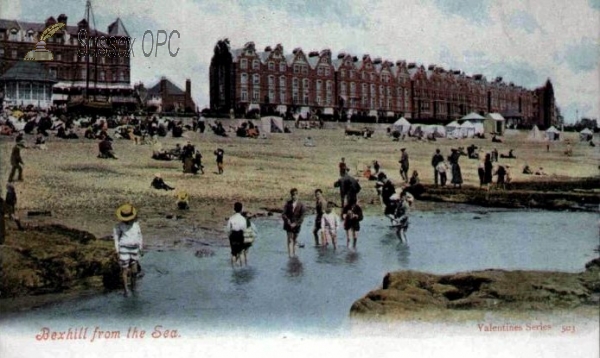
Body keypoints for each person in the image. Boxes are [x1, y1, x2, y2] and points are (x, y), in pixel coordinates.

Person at [113, 203, 143, 296]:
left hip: (134, 249)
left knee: (134, 270)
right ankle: (126, 289)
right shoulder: (118, 226)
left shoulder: (136, 224)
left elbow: (140, 236)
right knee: (125, 270)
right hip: (124, 249)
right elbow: (116, 238)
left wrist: (141, 248)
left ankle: (133, 287)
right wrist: (117, 251)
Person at [282, 188, 306, 258]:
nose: (294, 196)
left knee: (295, 239)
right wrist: (288, 221)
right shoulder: (287, 204)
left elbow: (302, 217)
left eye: (295, 194)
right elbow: (283, 214)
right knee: (289, 239)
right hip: (288, 224)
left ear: (298, 195)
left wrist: (296, 223)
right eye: (293, 195)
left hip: (297, 224)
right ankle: (290, 255)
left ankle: (295, 254)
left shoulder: (301, 205)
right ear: (291, 195)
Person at [227, 202, 248, 267]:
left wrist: (230, 237)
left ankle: (233, 268)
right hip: (240, 235)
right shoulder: (243, 219)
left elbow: (228, 229)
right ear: (241, 209)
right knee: (241, 253)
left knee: (233, 253)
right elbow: (245, 229)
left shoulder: (231, 218)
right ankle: (241, 267)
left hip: (233, 235)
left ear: (234, 209)